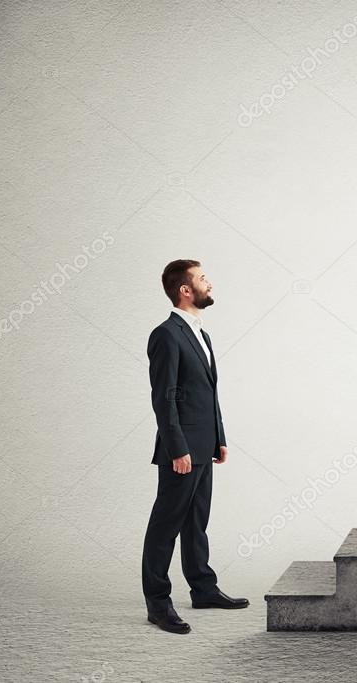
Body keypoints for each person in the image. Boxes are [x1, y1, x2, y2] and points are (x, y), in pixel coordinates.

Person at [141, 259, 249, 635]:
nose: (210, 284)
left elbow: (208, 392)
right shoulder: (167, 335)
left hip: (204, 444)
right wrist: (177, 448)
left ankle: (202, 588)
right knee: (165, 525)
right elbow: (164, 398)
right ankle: (158, 604)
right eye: (203, 279)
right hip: (181, 449)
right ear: (185, 290)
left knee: (196, 522)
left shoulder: (202, 334)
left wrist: (219, 437)